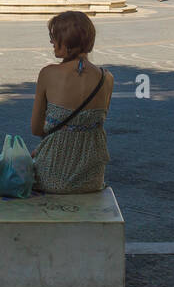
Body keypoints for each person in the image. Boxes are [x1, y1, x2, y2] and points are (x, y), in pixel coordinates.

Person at [31, 11, 114, 194]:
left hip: (51, 176)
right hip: (92, 179)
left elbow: (36, 129)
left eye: (54, 37)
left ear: (67, 40)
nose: (51, 42)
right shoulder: (107, 78)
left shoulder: (48, 73)